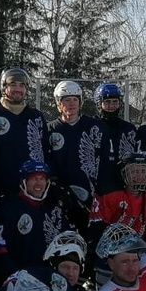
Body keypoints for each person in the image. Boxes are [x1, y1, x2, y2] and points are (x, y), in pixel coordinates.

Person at [0, 160, 72, 283]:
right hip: (19, 281)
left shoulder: (54, 210)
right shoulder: (9, 209)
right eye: (34, 178)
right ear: (24, 182)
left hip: (49, 280)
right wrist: (14, 276)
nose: (38, 183)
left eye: (42, 178)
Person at [0, 66, 48, 199]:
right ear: (4, 87)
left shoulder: (36, 117)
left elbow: (45, 151)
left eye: (22, 85)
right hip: (0, 192)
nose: (18, 89)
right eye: (13, 84)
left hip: (31, 193)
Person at [45, 79, 106, 230]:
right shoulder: (50, 130)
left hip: (91, 193)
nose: (71, 104)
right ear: (58, 104)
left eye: (75, 99)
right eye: (66, 100)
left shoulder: (94, 127)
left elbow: (103, 158)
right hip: (60, 196)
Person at [91, 82, 141, 196]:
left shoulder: (129, 128)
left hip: (122, 183)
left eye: (115, 102)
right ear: (99, 103)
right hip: (98, 184)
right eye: (107, 102)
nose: (111, 106)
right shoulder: (91, 127)